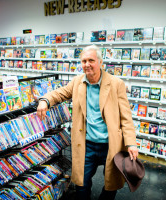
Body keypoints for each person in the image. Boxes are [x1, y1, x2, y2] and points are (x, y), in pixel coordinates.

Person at [37, 45, 138, 200]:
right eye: (84, 61)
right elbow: (60, 93)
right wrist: (45, 100)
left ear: (100, 62)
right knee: (81, 183)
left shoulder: (116, 83)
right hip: (86, 144)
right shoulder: (77, 82)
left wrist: (131, 143)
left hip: (110, 144)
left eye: (91, 60)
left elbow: (126, 117)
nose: (87, 64)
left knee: (112, 182)